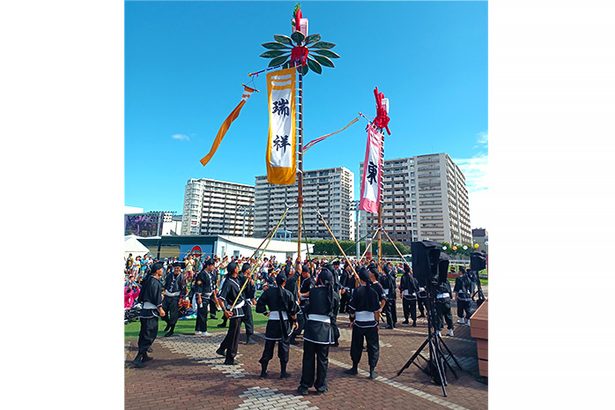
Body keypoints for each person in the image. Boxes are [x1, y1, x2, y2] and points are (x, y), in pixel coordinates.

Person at [297, 267, 337, 395]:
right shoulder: (334, 295)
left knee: (308, 358)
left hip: (311, 328)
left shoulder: (314, 292)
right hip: (325, 330)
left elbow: (307, 307)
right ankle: (321, 386)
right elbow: (334, 314)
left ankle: (305, 385)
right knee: (323, 359)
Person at [256, 273, 298, 379]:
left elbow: (259, 304)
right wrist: (295, 321)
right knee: (284, 346)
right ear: (284, 282)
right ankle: (283, 373)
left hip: (272, 322)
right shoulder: (288, 293)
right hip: (284, 323)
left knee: (269, 345)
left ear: (276, 281)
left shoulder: (269, 292)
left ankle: (263, 372)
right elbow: (293, 310)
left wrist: (266, 312)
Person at [345, 267, 381, 379]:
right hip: (371, 323)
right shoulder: (373, 292)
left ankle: (354, 367)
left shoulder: (357, 291)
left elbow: (351, 309)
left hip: (359, 323)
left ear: (360, 279)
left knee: (356, 345)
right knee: (373, 346)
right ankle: (372, 370)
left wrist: (352, 320)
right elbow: (377, 311)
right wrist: (377, 323)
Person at [132, 262, 165, 368]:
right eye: (161, 269)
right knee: (149, 334)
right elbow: (155, 297)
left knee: (144, 333)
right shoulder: (154, 282)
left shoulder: (148, 280)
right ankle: (138, 357)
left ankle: (144, 355)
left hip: (145, 311)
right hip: (151, 311)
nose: (162, 271)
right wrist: (160, 308)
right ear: (157, 271)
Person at [215, 262, 245, 365]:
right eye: (237, 267)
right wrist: (225, 311)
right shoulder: (228, 282)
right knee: (234, 336)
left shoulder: (237, 279)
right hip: (234, 312)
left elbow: (244, 276)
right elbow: (221, 299)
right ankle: (230, 358)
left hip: (240, 310)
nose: (238, 268)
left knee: (232, 333)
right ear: (234, 269)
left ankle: (222, 348)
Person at [289, 264, 314, 345]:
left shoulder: (310, 280)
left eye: (303, 273)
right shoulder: (304, 279)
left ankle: (297, 333)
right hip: (302, 301)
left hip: (307, 302)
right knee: (303, 319)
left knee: (302, 320)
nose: (302, 275)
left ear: (306, 272)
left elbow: (311, 292)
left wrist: (301, 294)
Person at [189, 259, 214, 336]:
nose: (213, 267)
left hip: (207, 296)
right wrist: (199, 297)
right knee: (203, 313)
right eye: (212, 265)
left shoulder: (210, 274)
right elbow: (199, 286)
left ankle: (198, 329)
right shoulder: (202, 274)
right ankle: (204, 330)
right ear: (208, 266)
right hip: (202, 296)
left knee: (200, 314)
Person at [162, 262, 187, 337]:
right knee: (163, 312)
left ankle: (171, 330)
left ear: (180, 269)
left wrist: (181, 299)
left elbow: (183, 289)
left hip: (175, 297)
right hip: (167, 295)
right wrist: (163, 291)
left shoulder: (182, 277)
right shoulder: (169, 275)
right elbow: (165, 285)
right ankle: (168, 322)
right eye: (175, 268)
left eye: (178, 268)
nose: (176, 269)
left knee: (174, 314)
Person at [239, 263, 256, 344]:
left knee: (238, 320)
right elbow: (249, 292)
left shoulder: (238, 277)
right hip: (244, 301)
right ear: (247, 270)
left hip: (238, 302)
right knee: (248, 319)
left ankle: (235, 337)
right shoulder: (245, 279)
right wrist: (251, 285)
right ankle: (249, 337)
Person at [434, 270, 455, 337]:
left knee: (439, 316)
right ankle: (450, 330)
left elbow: (434, 290)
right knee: (448, 315)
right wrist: (450, 297)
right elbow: (449, 289)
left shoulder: (436, 280)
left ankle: (438, 331)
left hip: (439, 299)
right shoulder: (446, 280)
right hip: (447, 299)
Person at [379, 263, 398, 329]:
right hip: (393, 294)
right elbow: (395, 286)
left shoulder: (383, 278)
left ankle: (390, 324)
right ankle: (394, 322)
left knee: (388, 310)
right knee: (393, 309)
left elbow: (382, 286)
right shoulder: (392, 278)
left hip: (387, 295)